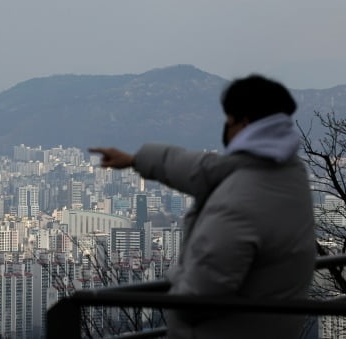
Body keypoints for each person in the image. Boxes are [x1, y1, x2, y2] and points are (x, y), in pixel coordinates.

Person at [90, 75, 315, 339]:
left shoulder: (239, 202)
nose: (225, 127)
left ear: (244, 123)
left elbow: (199, 297)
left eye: (228, 119)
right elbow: (203, 169)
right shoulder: (287, 173)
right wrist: (135, 160)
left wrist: (177, 278)